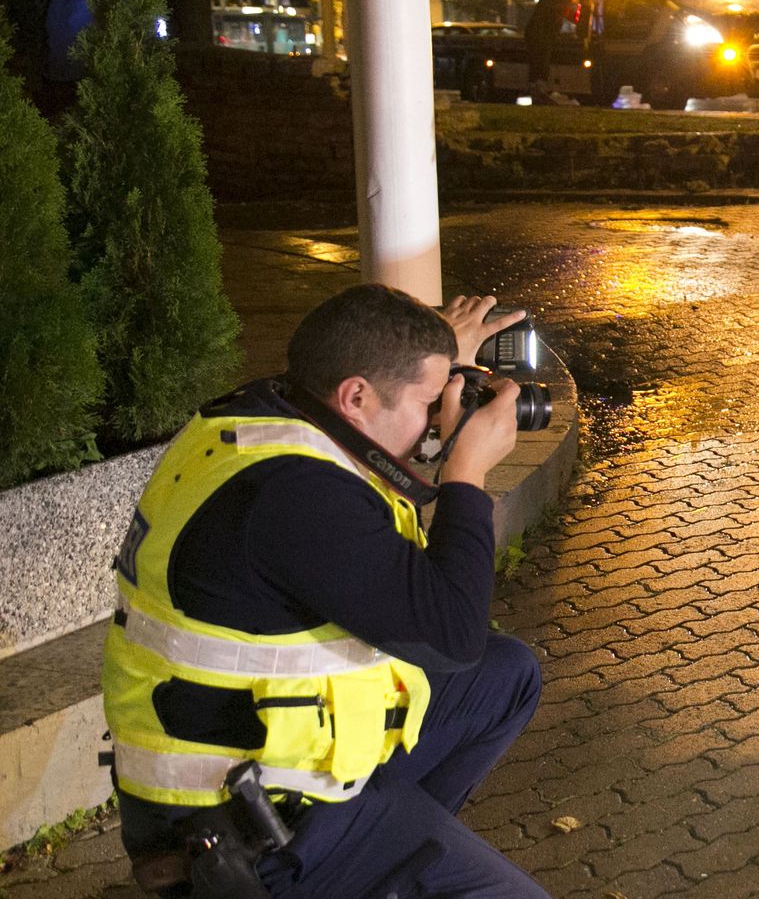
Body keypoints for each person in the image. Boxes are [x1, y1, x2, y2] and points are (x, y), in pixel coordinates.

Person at [102, 284, 548, 899]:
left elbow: (372, 473)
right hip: (238, 824)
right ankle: (367, 866)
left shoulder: (268, 414)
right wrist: (466, 473)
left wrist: (433, 360)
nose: (436, 417)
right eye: (427, 401)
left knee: (506, 675)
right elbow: (452, 636)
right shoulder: (296, 496)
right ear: (357, 394)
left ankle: (390, 860)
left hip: (257, 755)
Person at [522, 0, 575, 104]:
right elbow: (554, 5)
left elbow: (564, 11)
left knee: (542, 61)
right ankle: (537, 90)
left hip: (545, 35)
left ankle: (538, 89)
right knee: (539, 61)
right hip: (538, 34)